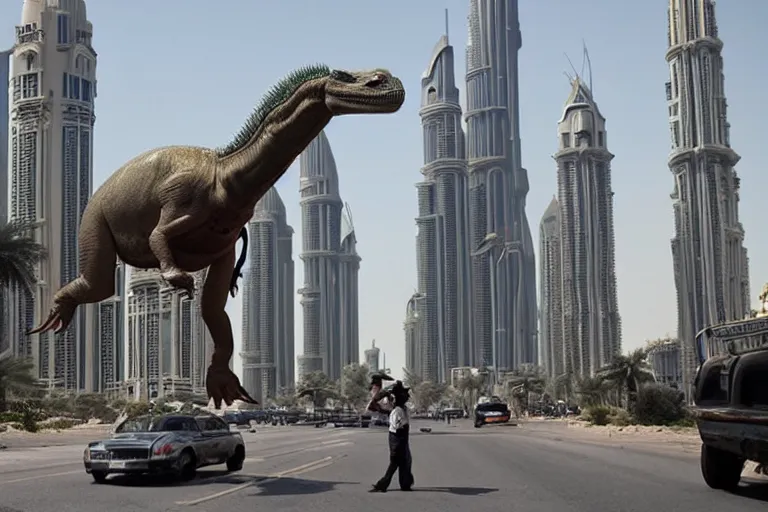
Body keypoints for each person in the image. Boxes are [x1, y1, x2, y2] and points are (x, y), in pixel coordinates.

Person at [369, 380, 414, 492]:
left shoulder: (400, 410)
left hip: (400, 441)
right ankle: (383, 485)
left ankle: (404, 483)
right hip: (398, 442)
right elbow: (398, 428)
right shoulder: (397, 411)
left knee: (404, 462)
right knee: (396, 464)